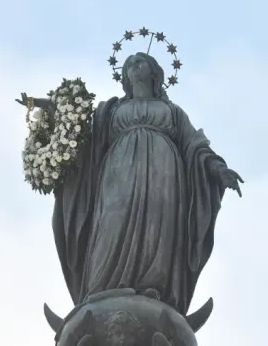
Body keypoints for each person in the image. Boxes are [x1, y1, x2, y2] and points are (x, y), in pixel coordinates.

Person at [19, 52, 242, 314]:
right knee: (112, 219)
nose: (134, 67)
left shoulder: (172, 111)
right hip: (118, 171)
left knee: (156, 225)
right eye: (129, 65)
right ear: (124, 76)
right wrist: (46, 106)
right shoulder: (112, 110)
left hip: (164, 173)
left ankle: (154, 286)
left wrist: (218, 169)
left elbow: (195, 145)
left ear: (154, 72)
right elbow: (81, 136)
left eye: (140, 62)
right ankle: (102, 285)